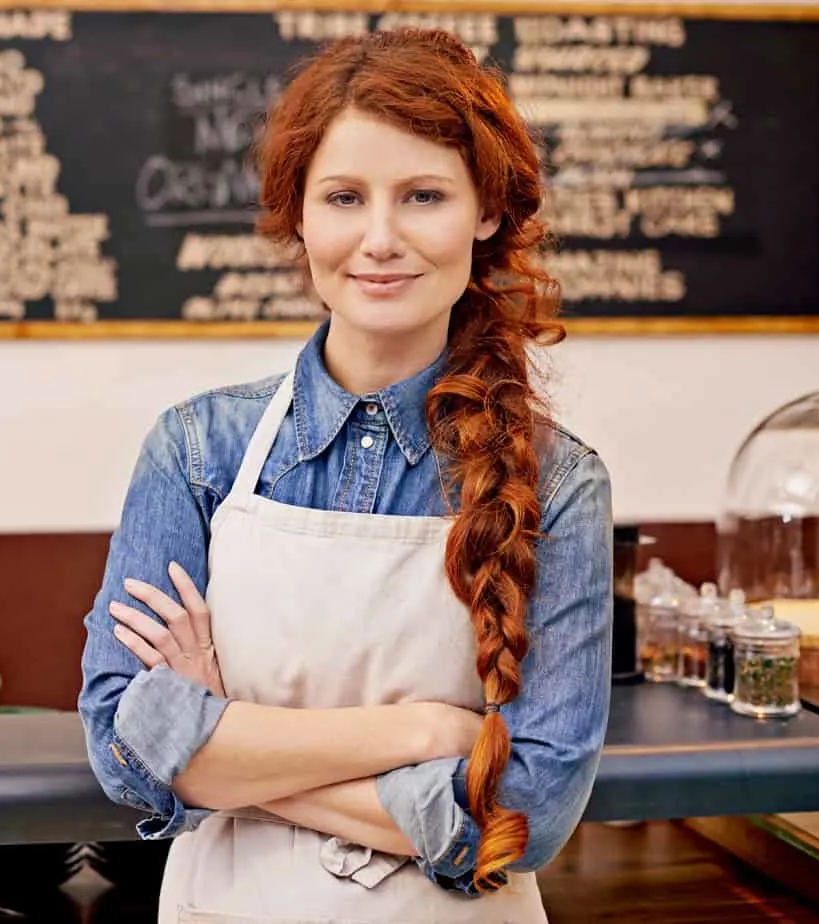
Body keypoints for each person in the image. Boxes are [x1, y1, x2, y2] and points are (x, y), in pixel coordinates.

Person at [78, 27, 612, 924]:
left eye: (424, 195)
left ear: (484, 213)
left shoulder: (559, 484)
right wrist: (423, 736)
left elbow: (530, 813)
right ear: (300, 215)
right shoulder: (195, 451)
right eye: (343, 196)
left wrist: (221, 760)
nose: (379, 238)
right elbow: (123, 745)